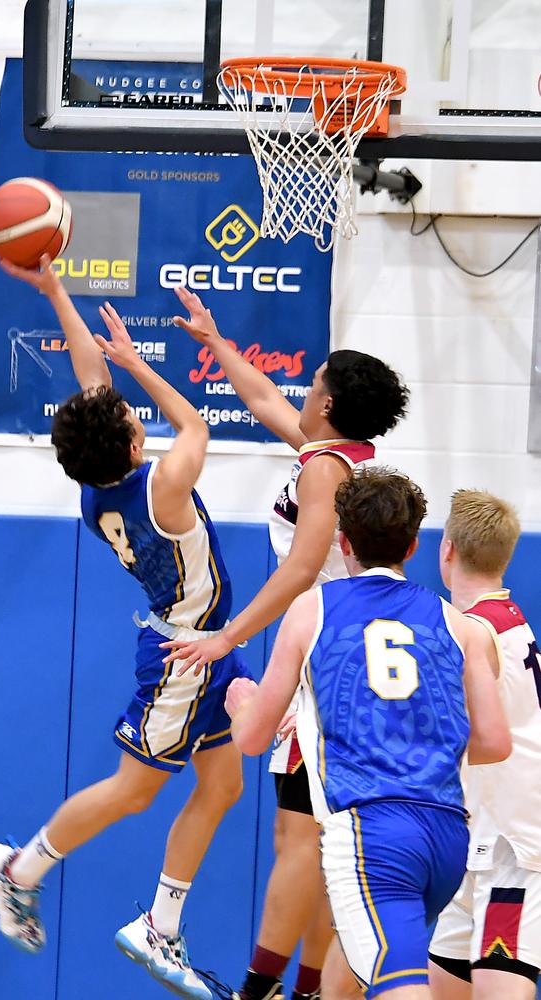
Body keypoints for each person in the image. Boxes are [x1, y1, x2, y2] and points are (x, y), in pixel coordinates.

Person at [0, 256, 250, 1000]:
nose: (134, 409)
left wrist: (57, 292)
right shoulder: (163, 490)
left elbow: (90, 381)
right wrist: (140, 363)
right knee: (135, 790)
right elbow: (193, 421)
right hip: (183, 653)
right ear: (133, 446)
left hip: (206, 646)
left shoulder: (96, 490)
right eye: (133, 417)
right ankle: (20, 869)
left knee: (222, 784)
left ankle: (162, 926)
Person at [167, 288, 409, 1000]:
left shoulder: (323, 470)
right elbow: (267, 399)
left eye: (317, 382)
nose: (305, 389)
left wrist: (225, 637)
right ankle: (304, 989)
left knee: (301, 844)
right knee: (324, 847)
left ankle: (266, 988)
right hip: (348, 664)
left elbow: (304, 566)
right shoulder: (340, 455)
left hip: (329, 671)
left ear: (329, 404)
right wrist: (215, 343)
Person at [224, 468, 511, 1000]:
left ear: (342, 541)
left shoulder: (311, 610)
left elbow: (254, 739)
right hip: (447, 838)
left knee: (395, 985)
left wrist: (242, 705)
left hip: (371, 835)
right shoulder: (463, 626)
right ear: (413, 545)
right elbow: (495, 743)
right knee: (352, 974)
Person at [429, 491, 541, 1000]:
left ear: (446, 550)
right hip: (478, 835)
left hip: (512, 844)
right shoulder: (507, 619)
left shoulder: (475, 631)